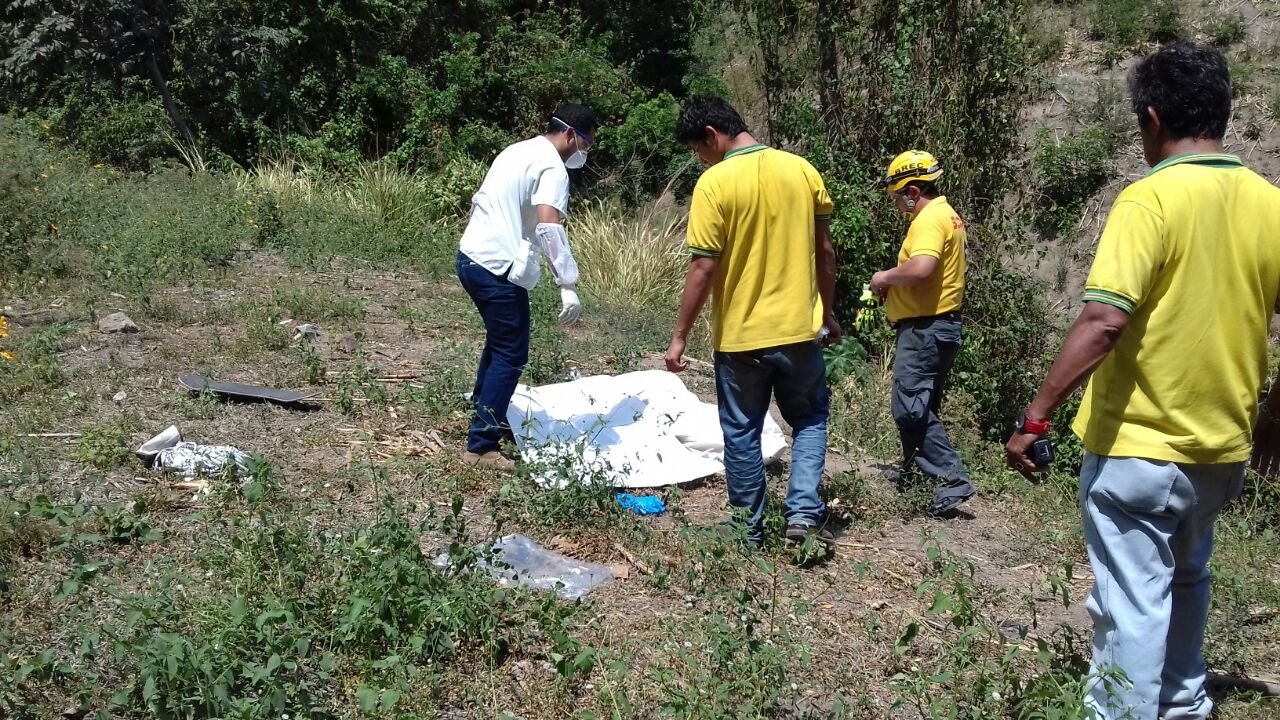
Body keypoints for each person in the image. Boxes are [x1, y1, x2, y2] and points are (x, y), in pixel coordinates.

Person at [1005, 42, 1280, 720]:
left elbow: (1103, 321)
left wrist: (1036, 416)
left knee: (1132, 601)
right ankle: (1184, 705)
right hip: (1221, 447)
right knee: (1188, 581)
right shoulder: (1269, 204)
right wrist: (1271, 421)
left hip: (1138, 450)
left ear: (1152, 119)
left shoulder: (1150, 199)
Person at [664, 95, 841, 549]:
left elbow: (703, 267)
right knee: (810, 419)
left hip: (742, 339)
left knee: (742, 430)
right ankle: (802, 511)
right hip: (801, 331)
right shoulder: (802, 171)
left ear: (711, 135)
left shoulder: (714, 184)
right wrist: (828, 310)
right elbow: (825, 254)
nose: (700, 159)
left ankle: (747, 530)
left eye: (698, 150)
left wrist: (680, 337)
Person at [456, 104, 598, 471]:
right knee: (511, 353)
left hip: (472, 256)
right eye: (586, 143)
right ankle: (481, 446)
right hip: (498, 267)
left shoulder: (517, 150)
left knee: (499, 342)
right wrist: (567, 283)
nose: (584, 152)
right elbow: (549, 225)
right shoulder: (553, 167)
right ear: (570, 134)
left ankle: (483, 407)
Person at [870, 151, 974, 517]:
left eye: (897, 195)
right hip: (938, 326)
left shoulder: (929, 219)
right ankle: (918, 476)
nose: (896, 203)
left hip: (926, 328)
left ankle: (950, 479)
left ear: (913, 189)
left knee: (909, 409)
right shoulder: (949, 215)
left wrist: (884, 278)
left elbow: (923, 268)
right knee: (922, 405)